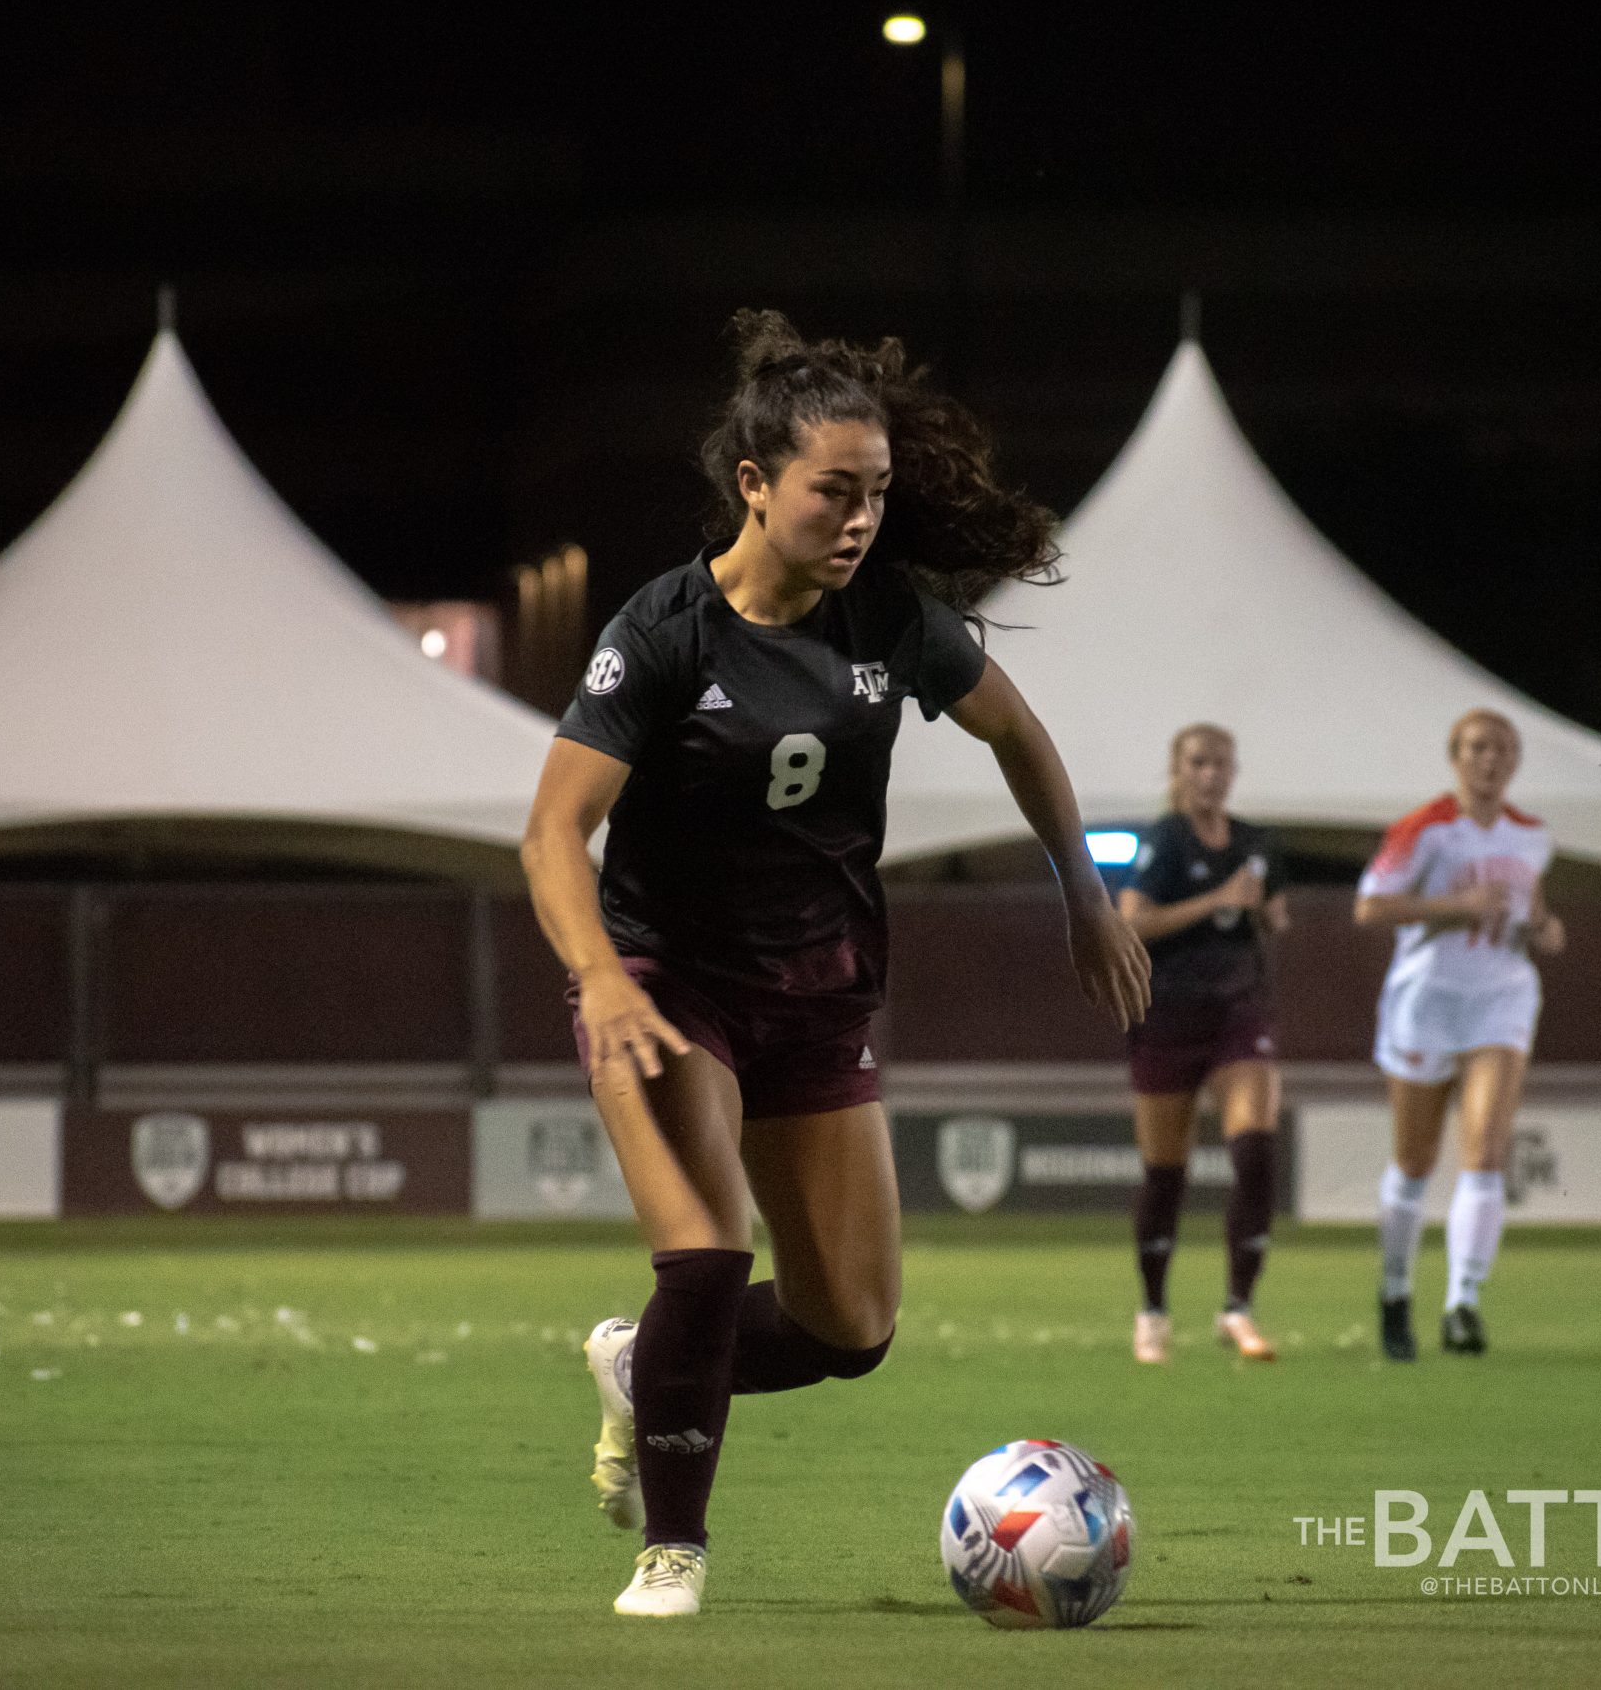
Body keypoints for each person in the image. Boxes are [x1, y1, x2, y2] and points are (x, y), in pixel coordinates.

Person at [519, 311, 1151, 1619]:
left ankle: (645, 1366)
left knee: (849, 1327)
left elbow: (1018, 733)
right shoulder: (665, 633)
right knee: (703, 1248)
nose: (861, 518)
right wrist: (602, 974)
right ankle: (672, 1548)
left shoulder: (891, 623)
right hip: (666, 986)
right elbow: (550, 830)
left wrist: (1082, 892)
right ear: (756, 485)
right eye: (833, 492)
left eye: (875, 495)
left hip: (817, 998)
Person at [1353, 709, 1563, 1362]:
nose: (1489, 759)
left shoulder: (1533, 835)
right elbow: (1369, 907)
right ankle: (1394, 1292)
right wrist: (1458, 907)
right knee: (1415, 1161)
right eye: (1477, 747)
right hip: (1428, 1000)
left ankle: (1463, 1303)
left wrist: (1545, 929)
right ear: (1456, 756)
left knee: (1487, 1148)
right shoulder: (1424, 829)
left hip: (1500, 998)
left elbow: (1542, 921)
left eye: (1501, 748)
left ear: (1515, 759)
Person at [1114, 723, 1289, 1364]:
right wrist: (1216, 898)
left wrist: (1268, 913)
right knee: (1166, 1173)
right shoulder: (1164, 839)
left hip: (1237, 1014)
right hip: (1167, 1017)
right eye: (1198, 763)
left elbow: (1272, 909)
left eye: (1220, 763)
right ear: (1179, 769)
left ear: (1234, 770)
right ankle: (1153, 1311)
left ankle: (1238, 1308)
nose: (1210, 774)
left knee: (1257, 1147)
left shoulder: (1254, 842)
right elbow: (1132, 921)